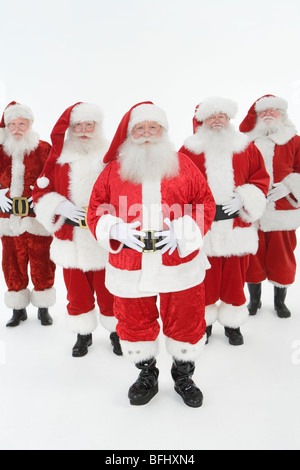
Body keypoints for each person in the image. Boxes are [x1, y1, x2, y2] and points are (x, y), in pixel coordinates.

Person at [87, 101, 216, 407]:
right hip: (129, 261)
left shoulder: (184, 165)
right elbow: (95, 209)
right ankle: (147, 374)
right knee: (134, 321)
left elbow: (205, 203)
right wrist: (114, 229)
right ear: (130, 134)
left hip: (177, 261)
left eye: (152, 127)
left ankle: (183, 374)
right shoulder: (112, 170)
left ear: (163, 131)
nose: (146, 134)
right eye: (139, 129)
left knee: (186, 320)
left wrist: (182, 231)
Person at [32, 102, 121, 357]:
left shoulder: (110, 157)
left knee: (109, 290)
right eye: (78, 125)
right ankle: (83, 335)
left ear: (97, 127)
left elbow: (123, 189)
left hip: (101, 237)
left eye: (89, 125)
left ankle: (115, 332)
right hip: (69, 238)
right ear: (71, 129)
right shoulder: (58, 159)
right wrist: (59, 206)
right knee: (77, 293)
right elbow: (40, 192)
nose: (83, 130)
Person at [180, 97, 270, 345]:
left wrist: (244, 199)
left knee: (234, 279)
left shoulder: (246, 147)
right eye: (212, 116)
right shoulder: (189, 150)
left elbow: (261, 180)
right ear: (201, 121)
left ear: (229, 120)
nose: (217, 121)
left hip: (236, 227)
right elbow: (175, 186)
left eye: (222, 116)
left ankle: (232, 324)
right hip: (204, 228)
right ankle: (206, 323)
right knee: (205, 280)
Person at [239, 94, 300, 318]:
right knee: (252, 257)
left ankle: (280, 302)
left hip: (282, 209)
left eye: (272, 111)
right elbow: (239, 173)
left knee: (282, 258)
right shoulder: (247, 143)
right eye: (263, 112)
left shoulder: (294, 140)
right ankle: (254, 301)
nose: (267, 115)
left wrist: (289, 186)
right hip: (252, 211)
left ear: (281, 115)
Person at [0, 101, 56, 327]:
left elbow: (55, 179)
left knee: (42, 261)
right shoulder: (1, 151)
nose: (17, 128)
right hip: (9, 220)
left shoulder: (44, 148)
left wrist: (43, 197)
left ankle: (43, 308)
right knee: (12, 263)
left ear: (30, 124)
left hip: (37, 219)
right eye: (12, 124)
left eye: (22, 123)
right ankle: (18, 309)